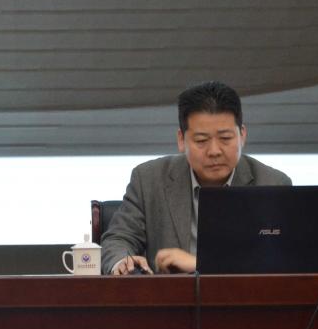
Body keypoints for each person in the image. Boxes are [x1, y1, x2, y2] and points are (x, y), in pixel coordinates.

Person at [101, 81, 290, 275]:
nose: (214, 151)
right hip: (171, 294)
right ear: (181, 140)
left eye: (225, 138)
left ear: (242, 135)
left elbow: (281, 259)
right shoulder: (149, 180)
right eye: (201, 140)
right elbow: (118, 240)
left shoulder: (273, 184)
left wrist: (200, 263)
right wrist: (122, 262)